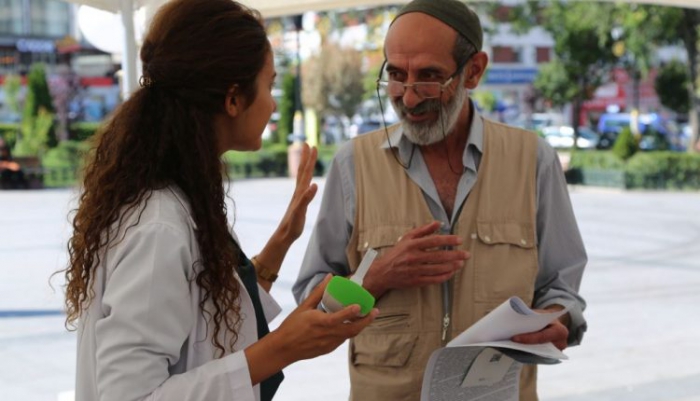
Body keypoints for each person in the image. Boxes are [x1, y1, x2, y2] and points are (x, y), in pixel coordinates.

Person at [62, 1, 377, 400]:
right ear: (233, 99)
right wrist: (283, 347)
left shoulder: (177, 199)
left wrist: (281, 242)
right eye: (269, 85)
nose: (274, 103)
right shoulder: (160, 227)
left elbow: (205, 317)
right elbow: (130, 395)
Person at [293, 0, 587, 399]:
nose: (409, 98)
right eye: (396, 76)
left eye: (429, 77)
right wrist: (375, 278)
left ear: (475, 71)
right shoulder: (353, 164)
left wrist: (557, 320)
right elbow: (312, 304)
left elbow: (560, 287)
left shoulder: (532, 160)